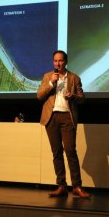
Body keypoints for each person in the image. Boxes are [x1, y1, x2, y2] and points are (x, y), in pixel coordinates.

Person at [37, 50, 90, 198]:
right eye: (55, 61)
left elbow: (82, 98)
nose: (57, 63)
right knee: (57, 153)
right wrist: (50, 83)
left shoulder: (74, 78)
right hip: (51, 117)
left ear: (65, 62)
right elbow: (39, 95)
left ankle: (77, 186)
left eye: (60, 61)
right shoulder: (48, 76)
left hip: (67, 117)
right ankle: (61, 185)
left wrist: (73, 96)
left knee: (70, 151)